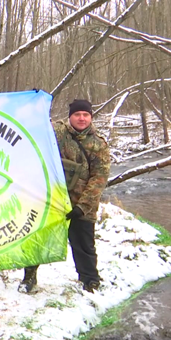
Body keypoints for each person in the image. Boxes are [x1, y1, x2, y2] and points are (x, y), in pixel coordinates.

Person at [19, 99, 110, 294]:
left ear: (91, 117)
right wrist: (33, 103)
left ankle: (90, 280)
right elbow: (33, 133)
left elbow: (99, 178)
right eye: (77, 114)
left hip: (81, 205)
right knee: (38, 240)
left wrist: (82, 206)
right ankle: (29, 277)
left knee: (85, 245)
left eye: (86, 115)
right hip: (51, 202)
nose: (82, 118)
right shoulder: (55, 133)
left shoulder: (98, 144)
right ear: (70, 117)